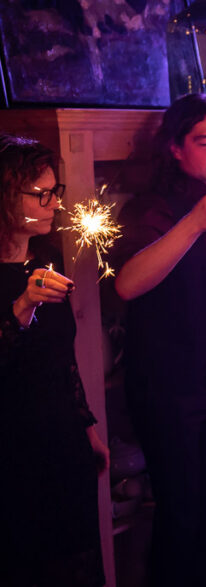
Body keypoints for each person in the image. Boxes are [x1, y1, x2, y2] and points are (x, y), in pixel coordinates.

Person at [112, 93, 206, 587]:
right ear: (175, 148)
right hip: (170, 387)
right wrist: (194, 222)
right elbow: (127, 283)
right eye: (204, 141)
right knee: (181, 513)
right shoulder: (157, 208)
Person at [0, 135, 108, 587]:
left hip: (62, 441)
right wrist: (22, 306)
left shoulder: (46, 260)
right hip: (12, 450)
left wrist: (88, 428)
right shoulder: (20, 284)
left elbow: (63, 358)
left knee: (75, 563)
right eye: (40, 194)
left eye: (54, 192)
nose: (52, 204)